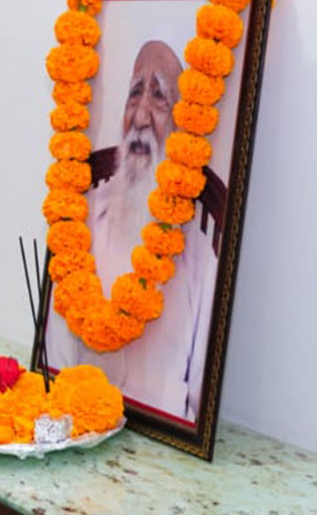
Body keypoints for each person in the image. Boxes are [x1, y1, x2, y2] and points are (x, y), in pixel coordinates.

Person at [45, 39, 216, 422]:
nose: (140, 117)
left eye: (159, 98)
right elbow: (54, 362)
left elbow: (200, 403)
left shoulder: (201, 254)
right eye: (134, 93)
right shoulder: (80, 224)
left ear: (180, 126)